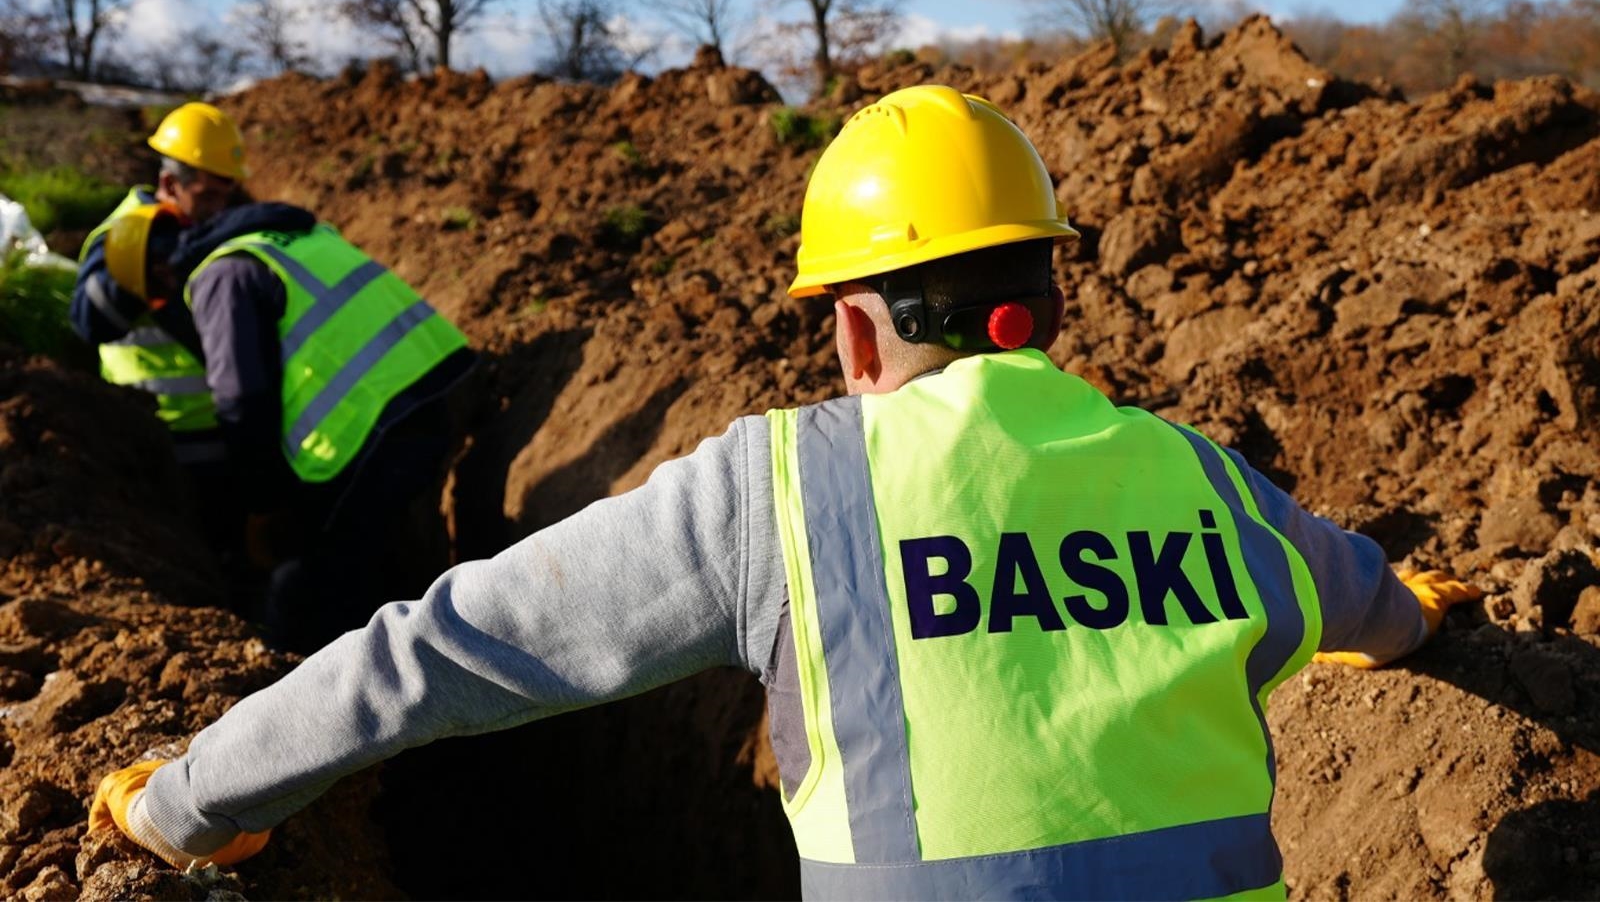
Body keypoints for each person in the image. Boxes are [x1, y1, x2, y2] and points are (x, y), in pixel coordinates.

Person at [88, 85, 1480, 899]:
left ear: (854, 331)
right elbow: (1375, 605)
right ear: (1047, 297)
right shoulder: (1211, 487)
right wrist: (1408, 608)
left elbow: (438, 655)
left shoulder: (781, 493)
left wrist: (192, 801)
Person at [103, 175, 475, 654]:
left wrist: (263, 504)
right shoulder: (280, 238)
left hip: (374, 430)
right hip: (435, 387)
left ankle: (317, 674)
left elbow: (241, 401)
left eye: (158, 298)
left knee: (315, 586)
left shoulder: (218, 277)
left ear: (161, 272)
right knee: (367, 553)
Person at [71, 102, 253, 562]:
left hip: (219, 433)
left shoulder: (204, 234)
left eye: (225, 196)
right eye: (207, 197)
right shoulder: (124, 234)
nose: (217, 210)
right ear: (170, 184)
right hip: (154, 437)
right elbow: (87, 323)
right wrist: (136, 275)